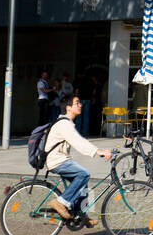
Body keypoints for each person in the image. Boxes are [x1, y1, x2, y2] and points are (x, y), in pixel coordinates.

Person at [44, 95, 112, 224]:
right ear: (68, 108)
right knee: (83, 174)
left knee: (82, 184)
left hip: (59, 159)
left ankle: (80, 215)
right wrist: (99, 151)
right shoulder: (64, 124)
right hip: (57, 161)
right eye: (77, 103)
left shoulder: (66, 122)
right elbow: (79, 142)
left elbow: (79, 141)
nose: (80, 105)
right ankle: (60, 202)